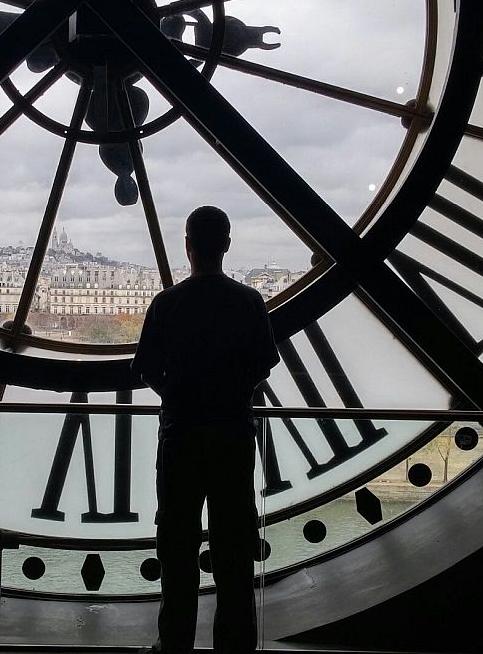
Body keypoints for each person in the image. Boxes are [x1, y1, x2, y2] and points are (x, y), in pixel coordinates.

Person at [132, 206, 280, 654]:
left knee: (176, 545)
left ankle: (174, 642)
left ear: (188, 247)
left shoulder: (167, 304)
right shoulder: (249, 302)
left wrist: (177, 395)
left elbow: (146, 369)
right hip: (233, 434)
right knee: (233, 545)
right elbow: (263, 365)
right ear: (227, 245)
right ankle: (234, 645)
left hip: (181, 435)